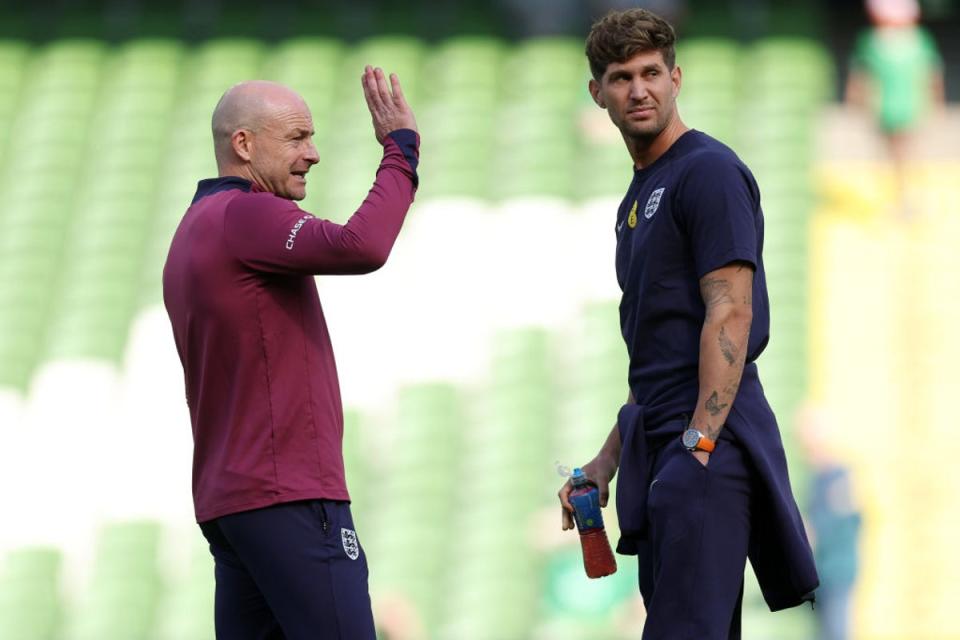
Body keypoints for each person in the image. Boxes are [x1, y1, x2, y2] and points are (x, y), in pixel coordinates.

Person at [556, 9, 818, 639]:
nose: (638, 89)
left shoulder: (707, 171)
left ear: (677, 78)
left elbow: (731, 308)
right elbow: (653, 356)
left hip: (704, 440)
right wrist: (606, 461)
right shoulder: (636, 199)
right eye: (621, 77)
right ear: (598, 94)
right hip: (664, 441)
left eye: (651, 72)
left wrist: (699, 441)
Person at [162, 68, 418, 639]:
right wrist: (401, 152)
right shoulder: (244, 215)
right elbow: (364, 245)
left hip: (232, 503)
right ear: (244, 144)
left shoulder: (192, 230)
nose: (314, 153)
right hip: (288, 494)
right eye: (297, 138)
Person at [845, 0, 945, 217]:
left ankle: (910, 198)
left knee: (908, 154)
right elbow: (862, 76)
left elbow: (930, 74)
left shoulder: (917, 40)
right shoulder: (872, 42)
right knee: (891, 155)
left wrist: (936, 102)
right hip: (885, 108)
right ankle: (899, 198)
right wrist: (857, 100)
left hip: (909, 106)